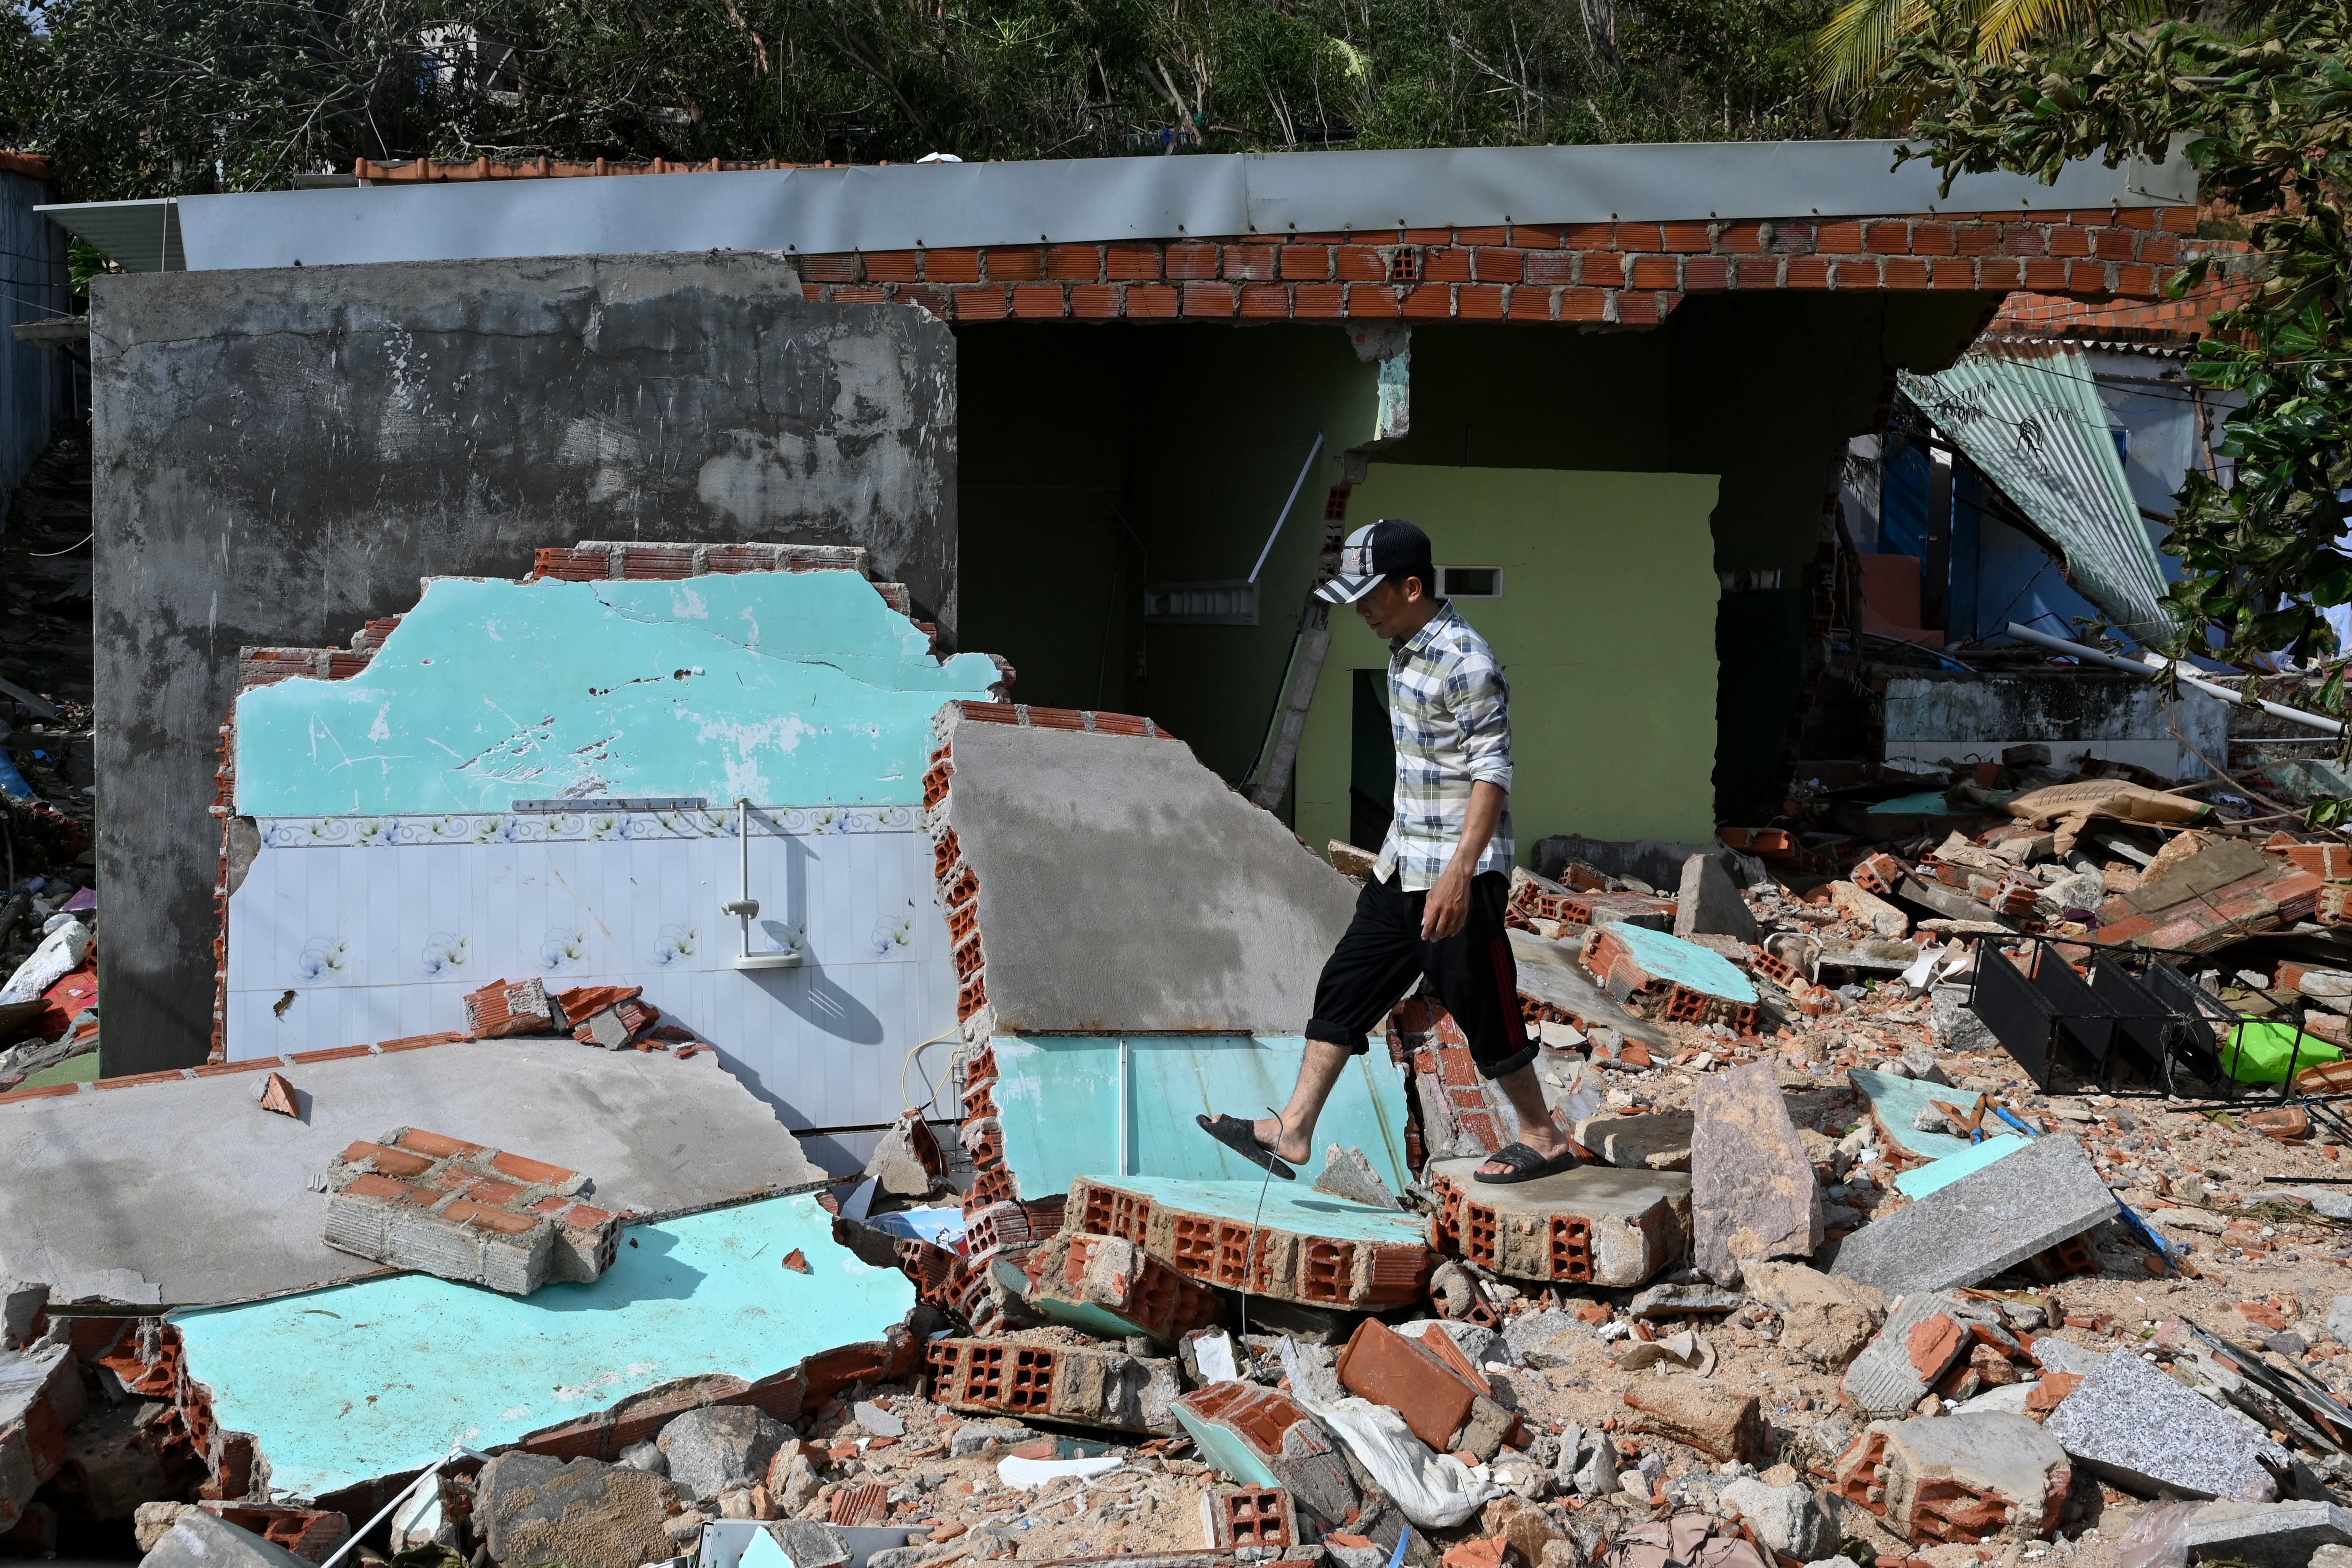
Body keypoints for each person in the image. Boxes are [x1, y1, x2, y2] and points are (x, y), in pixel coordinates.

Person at [1197, 518, 1579, 1185]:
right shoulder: (1405, 650)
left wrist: (1461, 873)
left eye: (1371, 594)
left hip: (1458, 877)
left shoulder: (1468, 662)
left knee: (1485, 1003)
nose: (1362, 609)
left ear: (1411, 586)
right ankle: (1293, 1128)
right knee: (1344, 986)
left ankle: (1543, 1136)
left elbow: (1493, 772)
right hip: (1400, 866)